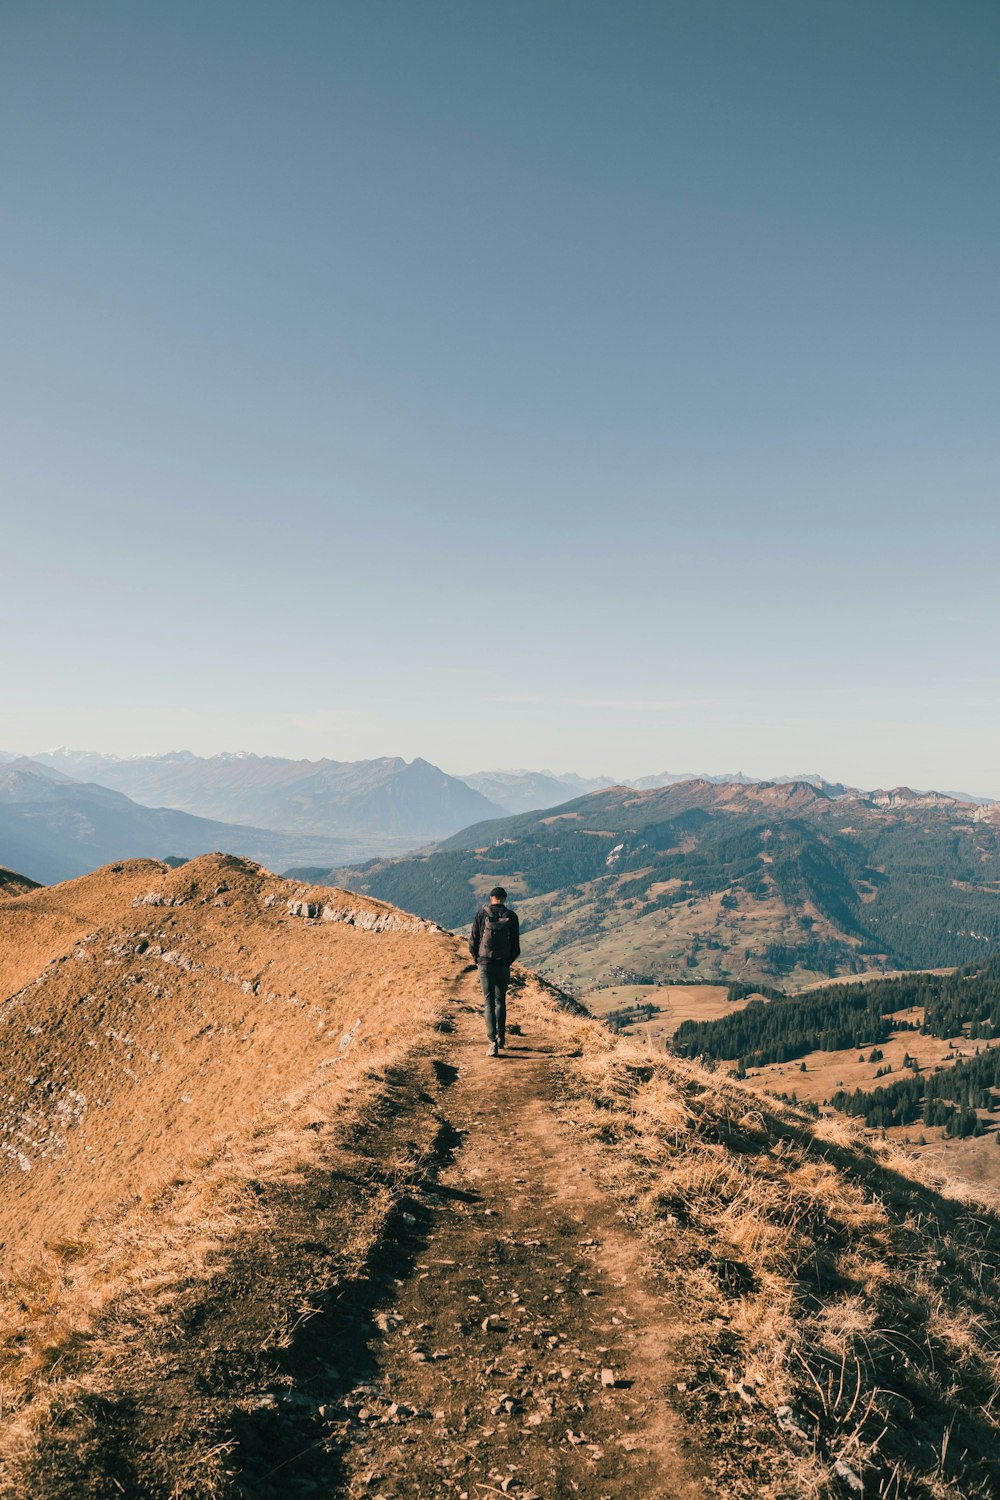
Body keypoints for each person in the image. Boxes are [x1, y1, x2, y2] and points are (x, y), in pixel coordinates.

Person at [470, 886, 520, 1057]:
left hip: (485, 964)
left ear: (491, 898)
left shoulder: (481, 914)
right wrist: (507, 962)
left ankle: (492, 1043)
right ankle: (502, 1037)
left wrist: (478, 960)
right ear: (504, 899)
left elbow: (474, 940)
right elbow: (516, 946)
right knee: (501, 1000)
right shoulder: (511, 916)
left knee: (488, 1001)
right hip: (503, 965)